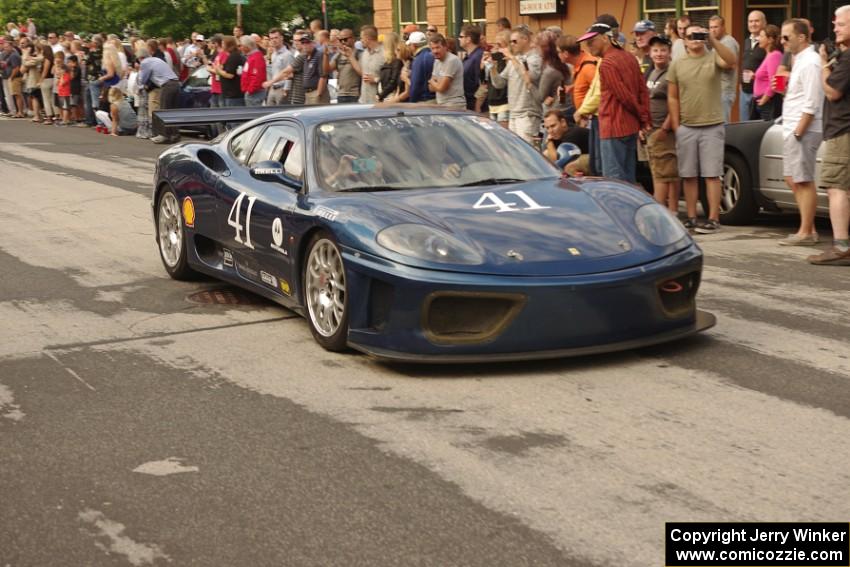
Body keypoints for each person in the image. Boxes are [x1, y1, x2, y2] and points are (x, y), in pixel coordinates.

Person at [668, 23, 738, 234]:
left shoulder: (713, 56)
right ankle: (691, 216)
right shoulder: (678, 63)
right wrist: (676, 125)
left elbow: (731, 61)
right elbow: (672, 96)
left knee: (712, 174)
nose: (695, 39)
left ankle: (713, 218)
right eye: (691, 36)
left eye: (699, 35)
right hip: (687, 126)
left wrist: (713, 40)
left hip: (712, 125)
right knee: (688, 175)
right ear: (685, 40)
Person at [578, 19, 650, 183]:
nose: (589, 47)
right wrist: (643, 117)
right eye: (587, 44)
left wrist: (643, 117)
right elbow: (642, 90)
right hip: (630, 126)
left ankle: (619, 209)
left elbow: (624, 96)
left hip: (613, 126)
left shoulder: (607, 63)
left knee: (614, 181)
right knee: (628, 177)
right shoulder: (629, 57)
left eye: (591, 41)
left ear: (605, 38)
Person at [808, 5, 850, 265]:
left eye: (841, 24)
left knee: (836, 188)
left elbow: (833, 92)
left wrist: (824, 64)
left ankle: (841, 246)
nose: (834, 27)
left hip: (842, 130)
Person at [777, 19, 824, 246]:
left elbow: (812, 102)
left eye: (786, 36)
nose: (782, 41)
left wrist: (799, 131)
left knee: (803, 180)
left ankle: (806, 232)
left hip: (802, 128)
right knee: (792, 177)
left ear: (802, 37)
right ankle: (809, 227)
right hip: (793, 128)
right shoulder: (801, 60)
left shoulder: (811, 62)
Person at [643, 36, 679, 213]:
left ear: (669, 52)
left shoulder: (672, 72)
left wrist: (665, 127)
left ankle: (660, 214)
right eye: (655, 50)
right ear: (649, 53)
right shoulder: (650, 72)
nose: (659, 54)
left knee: (662, 175)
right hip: (650, 128)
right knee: (666, 172)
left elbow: (677, 101)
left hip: (663, 130)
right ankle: (672, 212)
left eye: (663, 50)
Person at [488, 26, 542, 143]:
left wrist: (512, 58)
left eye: (514, 41)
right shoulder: (514, 60)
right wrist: (492, 67)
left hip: (528, 113)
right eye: (510, 41)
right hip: (513, 113)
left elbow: (530, 77)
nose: (511, 44)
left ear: (525, 39)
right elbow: (499, 84)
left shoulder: (535, 58)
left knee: (528, 151)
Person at [137, 47, 180, 143]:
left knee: (164, 111)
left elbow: (143, 79)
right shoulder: (157, 59)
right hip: (176, 83)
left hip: (167, 85)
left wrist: (141, 87)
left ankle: (164, 135)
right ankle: (175, 134)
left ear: (140, 58)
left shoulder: (145, 63)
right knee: (172, 111)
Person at [709, 15, 739, 123]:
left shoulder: (728, 42)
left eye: (716, 27)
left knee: (723, 126)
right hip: (716, 90)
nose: (713, 30)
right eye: (711, 27)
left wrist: (711, 58)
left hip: (725, 90)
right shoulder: (716, 42)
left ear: (723, 27)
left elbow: (729, 64)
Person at [542, 109, 590, 175]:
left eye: (553, 126)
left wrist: (549, 142)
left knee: (570, 167)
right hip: (578, 156)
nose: (550, 131)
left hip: (594, 158)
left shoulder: (573, 133)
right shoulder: (557, 133)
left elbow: (558, 161)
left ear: (563, 122)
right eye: (547, 128)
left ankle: (580, 184)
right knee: (546, 153)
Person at [558, 35, 596, 115]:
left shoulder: (588, 68)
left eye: (558, 52)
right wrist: (571, 88)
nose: (557, 55)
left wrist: (584, 113)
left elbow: (600, 92)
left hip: (591, 115)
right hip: (585, 113)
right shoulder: (579, 63)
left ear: (565, 54)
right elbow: (589, 86)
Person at [752, 25, 783, 121]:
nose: (758, 39)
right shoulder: (769, 55)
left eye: (761, 36)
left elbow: (775, 80)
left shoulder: (775, 55)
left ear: (770, 39)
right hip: (761, 100)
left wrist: (765, 98)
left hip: (768, 102)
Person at [536, 30, 571, 115]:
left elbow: (540, 96)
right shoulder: (565, 65)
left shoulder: (550, 71)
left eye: (537, 45)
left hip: (555, 111)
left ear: (544, 49)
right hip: (567, 107)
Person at [740, 10, 767, 121]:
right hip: (745, 92)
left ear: (764, 23)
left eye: (756, 21)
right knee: (744, 126)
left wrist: (755, 75)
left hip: (760, 93)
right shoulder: (746, 41)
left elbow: (771, 69)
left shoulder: (767, 43)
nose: (753, 24)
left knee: (758, 126)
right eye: (750, 21)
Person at [428, 34, 465, 109]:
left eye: (438, 47)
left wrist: (432, 81)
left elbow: (442, 88)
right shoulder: (437, 61)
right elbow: (431, 88)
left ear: (445, 47)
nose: (435, 51)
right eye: (432, 48)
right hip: (441, 103)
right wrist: (435, 84)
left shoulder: (451, 60)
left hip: (454, 105)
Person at [481, 31, 510, 127]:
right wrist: (483, 66)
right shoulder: (494, 59)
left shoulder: (507, 61)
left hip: (504, 103)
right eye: (495, 44)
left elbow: (502, 82)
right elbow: (484, 81)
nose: (495, 48)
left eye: (499, 45)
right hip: (492, 102)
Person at [324, 28, 360, 103]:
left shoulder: (359, 53)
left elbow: (362, 72)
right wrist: (326, 55)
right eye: (340, 40)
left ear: (353, 39)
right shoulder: (339, 55)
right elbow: (326, 71)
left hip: (356, 94)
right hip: (341, 94)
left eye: (345, 39)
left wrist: (350, 57)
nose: (343, 42)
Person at [354, 25, 383, 104]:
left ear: (368, 38)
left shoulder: (385, 54)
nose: (361, 41)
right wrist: (350, 56)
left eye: (361, 38)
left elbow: (392, 79)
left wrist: (376, 79)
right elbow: (361, 72)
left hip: (378, 102)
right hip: (363, 101)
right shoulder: (364, 53)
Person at [215, 35, 245, 107]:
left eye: (223, 43)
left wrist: (218, 70)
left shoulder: (234, 57)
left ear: (228, 45)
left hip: (233, 94)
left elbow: (230, 75)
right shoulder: (231, 56)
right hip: (229, 93)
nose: (221, 45)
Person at [459, 24, 483, 110]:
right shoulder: (468, 57)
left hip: (475, 105)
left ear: (468, 39)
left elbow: (482, 83)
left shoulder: (478, 56)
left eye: (461, 36)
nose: (459, 39)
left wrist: (477, 105)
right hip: (468, 102)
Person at [405, 31, 434, 103]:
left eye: (410, 45)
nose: (409, 47)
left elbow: (415, 85)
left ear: (414, 45)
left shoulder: (418, 60)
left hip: (424, 100)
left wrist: (411, 103)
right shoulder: (432, 55)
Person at [239, 35, 267, 106]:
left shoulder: (256, 57)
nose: (240, 48)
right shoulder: (252, 56)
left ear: (247, 46)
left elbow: (257, 76)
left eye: (241, 46)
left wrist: (250, 90)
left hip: (254, 93)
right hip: (252, 92)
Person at [377, 32, 403, 102]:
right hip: (385, 95)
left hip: (390, 97)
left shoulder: (397, 61)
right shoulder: (388, 61)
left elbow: (393, 81)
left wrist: (381, 95)